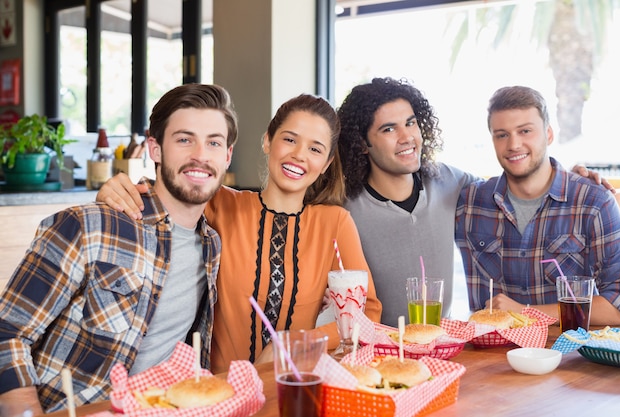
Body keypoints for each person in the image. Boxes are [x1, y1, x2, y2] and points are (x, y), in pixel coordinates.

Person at [95, 94, 383, 374]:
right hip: (217, 392)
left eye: (315, 149)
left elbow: (366, 315)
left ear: (327, 163)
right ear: (267, 141)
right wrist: (124, 190)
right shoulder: (220, 202)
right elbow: (174, 191)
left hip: (289, 390)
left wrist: (296, 343)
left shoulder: (335, 222)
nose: (299, 155)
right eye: (290, 139)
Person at [0, 83, 237, 414]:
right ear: (155, 149)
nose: (200, 154)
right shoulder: (89, 225)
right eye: (184, 139)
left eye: (213, 142)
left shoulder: (212, 245)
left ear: (226, 156)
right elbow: (8, 333)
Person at [337, 77, 612, 326]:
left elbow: (521, 181)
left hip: (442, 346)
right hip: (376, 349)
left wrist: (577, 181)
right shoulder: (344, 209)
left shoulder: (449, 183)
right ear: (361, 143)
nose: (407, 136)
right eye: (388, 129)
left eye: (410, 123)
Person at [454, 85, 620, 324]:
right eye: (502, 134)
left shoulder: (593, 203)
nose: (513, 144)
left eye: (525, 131)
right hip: (489, 356)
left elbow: (619, 307)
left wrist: (523, 313)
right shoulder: (469, 203)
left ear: (549, 134)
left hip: (568, 356)